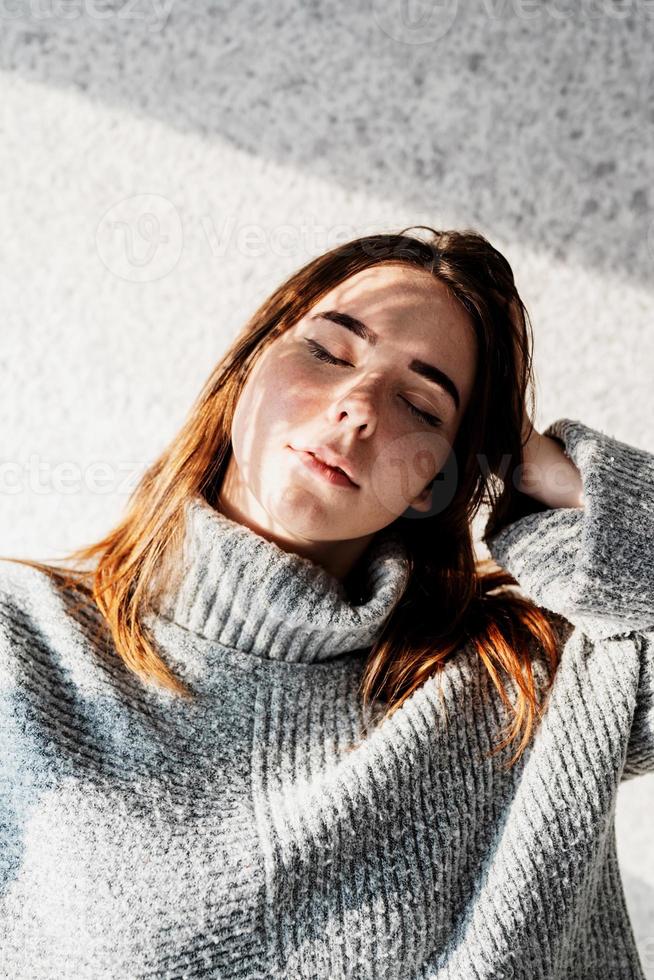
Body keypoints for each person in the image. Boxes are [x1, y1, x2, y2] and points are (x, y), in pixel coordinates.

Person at [0, 227, 652, 980]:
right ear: (250, 367)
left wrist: (559, 481)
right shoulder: (24, 645)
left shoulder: (522, 683)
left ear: (440, 477)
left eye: (421, 404)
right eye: (330, 352)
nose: (358, 406)